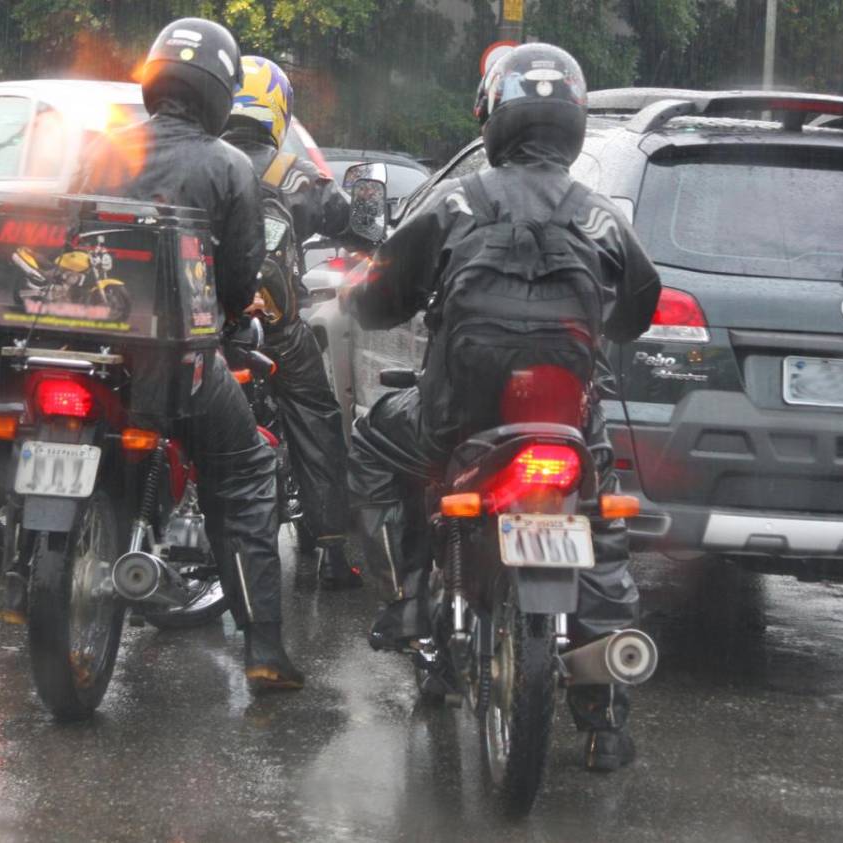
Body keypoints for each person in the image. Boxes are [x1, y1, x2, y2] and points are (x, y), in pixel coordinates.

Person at [339, 43, 662, 771]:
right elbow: (639, 307)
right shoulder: (601, 214)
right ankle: (605, 717)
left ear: (494, 119)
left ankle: (403, 604)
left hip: (457, 418)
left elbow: (378, 300)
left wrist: (366, 296)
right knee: (598, 521)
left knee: (369, 443)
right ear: (573, 124)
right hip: (567, 421)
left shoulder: (456, 202)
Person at [76, 18, 303, 690]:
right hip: (179, 363)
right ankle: (263, 647)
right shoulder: (230, 167)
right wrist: (232, 316)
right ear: (217, 94)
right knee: (245, 474)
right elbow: (237, 284)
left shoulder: (103, 152)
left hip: (93, 351)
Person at [221, 55, 363, 590]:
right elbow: (355, 223)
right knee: (318, 419)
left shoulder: (200, 159)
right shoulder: (292, 173)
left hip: (196, 326)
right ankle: (331, 549)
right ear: (278, 109)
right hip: (273, 329)